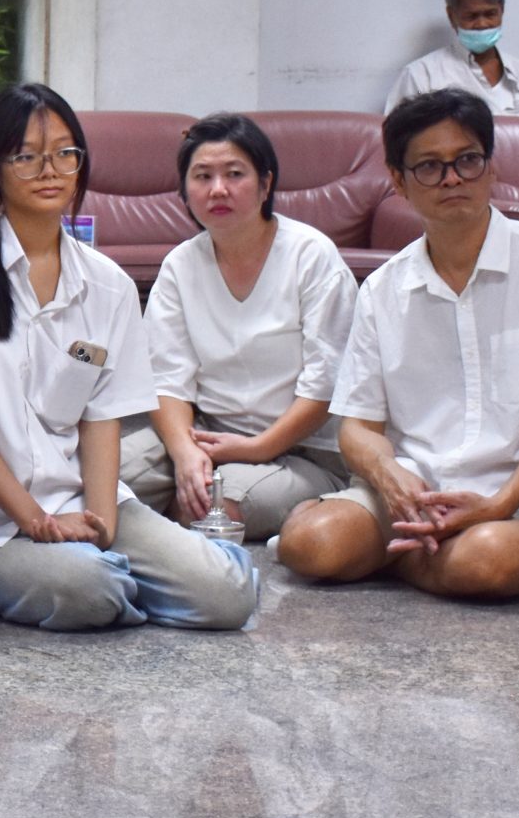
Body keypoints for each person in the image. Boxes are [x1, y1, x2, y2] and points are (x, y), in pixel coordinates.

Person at [0, 82, 261, 633]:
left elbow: (102, 420)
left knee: (227, 598)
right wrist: (37, 521)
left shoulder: (108, 284)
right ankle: (113, 582)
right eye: (27, 156)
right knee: (87, 590)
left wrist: (101, 525)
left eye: (64, 154)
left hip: (81, 499)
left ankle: (129, 575)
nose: (49, 170)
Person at [276, 90, 519, 599]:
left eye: (467, 160)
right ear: (399, 181)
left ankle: (399, 560)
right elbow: (357, 427)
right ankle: (425, 555)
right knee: (311, 545)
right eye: (429, 167)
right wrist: (387, 474)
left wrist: (499, 504)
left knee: (489, 561)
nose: (452, 179)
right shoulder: (383, 289)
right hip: (413, 498)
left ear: (491, 166)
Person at [119, 113, 358, 544]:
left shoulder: (311, 256)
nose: (218, 189)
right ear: (184, 191)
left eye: (234, 174)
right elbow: (166, 379)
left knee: (212, 506)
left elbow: (327, 385)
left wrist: (256, 449)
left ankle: (168, 532)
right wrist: (184, 451)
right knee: (103, 478)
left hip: (301, 451)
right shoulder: (180, 264)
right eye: (202, 176)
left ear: (266, 185)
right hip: (208, 433)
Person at [386, 0, 519, 117]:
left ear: (501, 10)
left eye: (490, 14)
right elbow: (397, 137)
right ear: (451, 16)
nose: (482, 24)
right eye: (471, 16)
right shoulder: (421, 76)